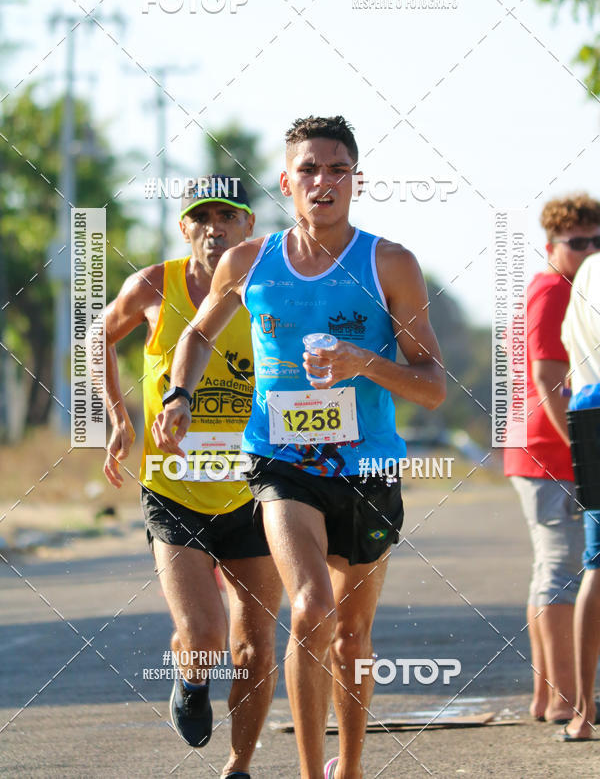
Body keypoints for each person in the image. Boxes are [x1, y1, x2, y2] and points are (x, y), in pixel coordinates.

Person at [152, 115, 446, 779]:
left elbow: (432, 386)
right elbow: (197, 336)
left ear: (354, 181)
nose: (323, 182)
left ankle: (352, 767)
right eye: (308, 170)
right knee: (310, 605)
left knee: (351, 636)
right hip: (280, 461)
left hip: (368, 465)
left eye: (337, 169)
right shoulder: (249, 263)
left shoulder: (390, 263)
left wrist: (363, 363)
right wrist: (180, 394)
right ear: (287, 182)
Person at [99, 177, 282, 779]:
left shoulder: (270, 286)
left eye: (227, 218)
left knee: (254, 646)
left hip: (254, 489)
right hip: (174, 487)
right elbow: (95, 335)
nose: (214, 229)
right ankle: (191, 676)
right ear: (185, 228)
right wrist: (117, 415)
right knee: (204, 634)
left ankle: (239, 766)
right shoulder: (155, 285)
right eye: (201, 218)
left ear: (247, 228)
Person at [504, 193, 600, 723]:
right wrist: (581, 452)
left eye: (597, 240)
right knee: (564, 570)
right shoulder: (553, 290)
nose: (589, 251)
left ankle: (548, 696)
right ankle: (565, 696)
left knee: (551, 570)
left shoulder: (563, 288)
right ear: (551, 246)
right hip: (550, 448)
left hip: (541, 448)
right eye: (577, 242)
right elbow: (546, 377)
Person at [560, 251, 600, 740]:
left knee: (596, 563)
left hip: (590, 407)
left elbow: (571, 348)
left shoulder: (589, 268)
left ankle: (584, 713)